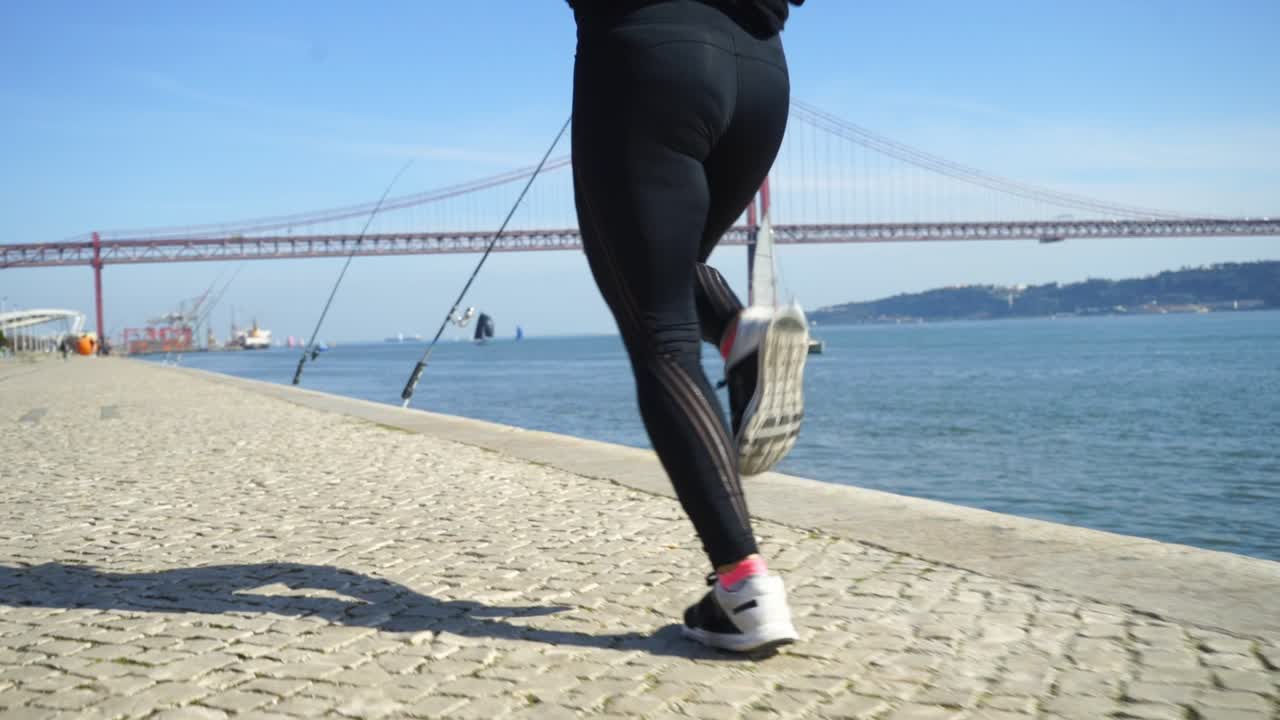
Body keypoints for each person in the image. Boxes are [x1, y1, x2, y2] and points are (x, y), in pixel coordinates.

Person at [568, 0, 808, 652]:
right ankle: (738, 332)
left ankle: (744, 587)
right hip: (762, 75)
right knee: (666, 272)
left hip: (645, 55)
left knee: (661, 333)